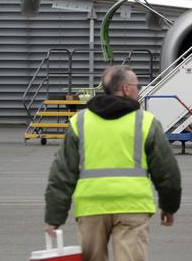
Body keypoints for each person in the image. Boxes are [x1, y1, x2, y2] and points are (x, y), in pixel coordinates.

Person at [44, 65, 182, 261]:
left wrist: (53, 218)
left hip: (91, 208)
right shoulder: (146, 122)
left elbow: (61, 174)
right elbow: (167, 171)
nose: (139, 90)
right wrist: (169, 207)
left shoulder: (80, 122)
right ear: (126, 88)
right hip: (132, 207)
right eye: (137, 85)